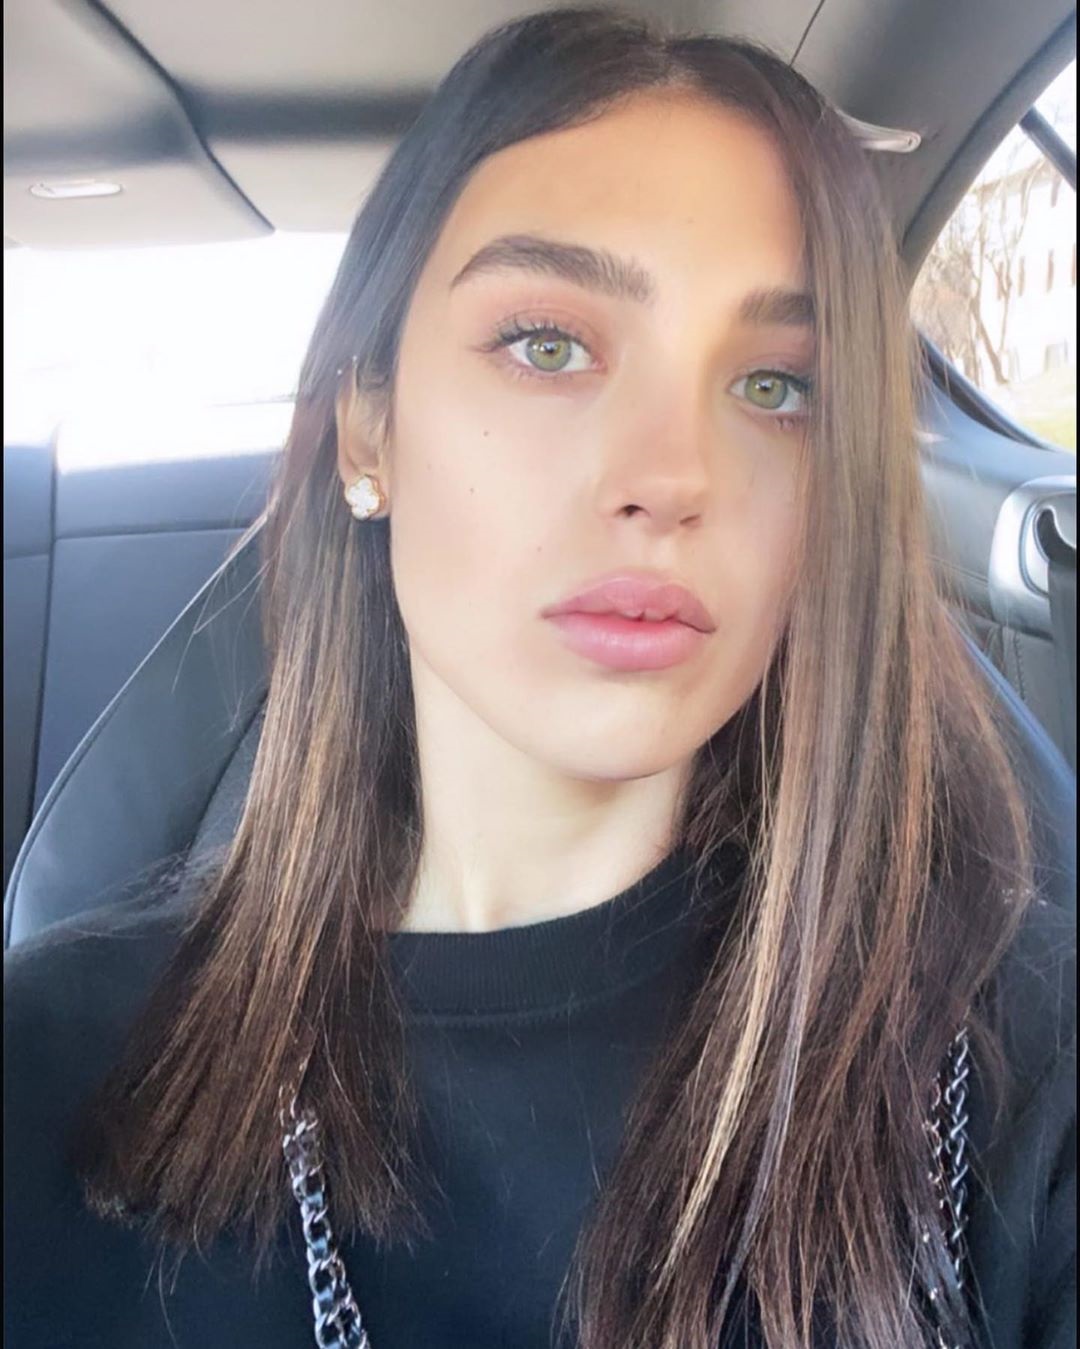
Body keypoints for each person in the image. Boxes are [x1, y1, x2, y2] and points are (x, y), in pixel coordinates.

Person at [4, 7, 1075, 1348]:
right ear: (366, 429)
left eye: (773, 386)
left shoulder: (1009, 1050)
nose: (672, 477)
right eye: (549, 345)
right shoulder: (49, 1070)